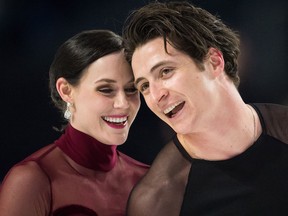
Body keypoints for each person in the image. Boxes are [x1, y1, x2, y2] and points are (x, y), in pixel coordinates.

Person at [122, 1, 288, 215]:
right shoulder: (157, 199)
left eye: (165, 72)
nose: (156, 95)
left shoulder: (283, 129)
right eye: (144, 86)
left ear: (214, 62)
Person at [0, 29, 149, 216]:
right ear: (66, 91)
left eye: (131, 89)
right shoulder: (32, 180)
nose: (123, 103)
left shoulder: (147, 180)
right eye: (105, 89)